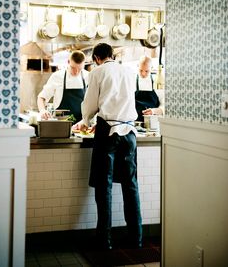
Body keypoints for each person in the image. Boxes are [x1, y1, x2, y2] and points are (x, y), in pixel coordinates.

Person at [79, 43, 142, 250]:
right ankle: (136, 238)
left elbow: (89, 104)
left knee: (104, 187)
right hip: (130, 134)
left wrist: (86, 121)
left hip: (108, 133)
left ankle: (104, 240)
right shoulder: (129, 71)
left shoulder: (97, 72)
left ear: (97, 57)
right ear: (112, 55)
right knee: (130, 185)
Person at [37, 50, 88, 122]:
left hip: (81, 125)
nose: (76, 72)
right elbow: (41, 97)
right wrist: (42, 110)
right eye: (73, 68)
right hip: (60, 123)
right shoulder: (57, 76)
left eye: (79, 69)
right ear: (68, 62)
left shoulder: (88, 76)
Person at [135, 55, 164, 122]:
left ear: (151, 68)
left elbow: (164, 105)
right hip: (135, 122)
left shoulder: (157, 81)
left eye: (146, 71)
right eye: (141, 70)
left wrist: (154, 111)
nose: (143, 74)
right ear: (137, 66)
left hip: (153, 121)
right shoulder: (132, 80)